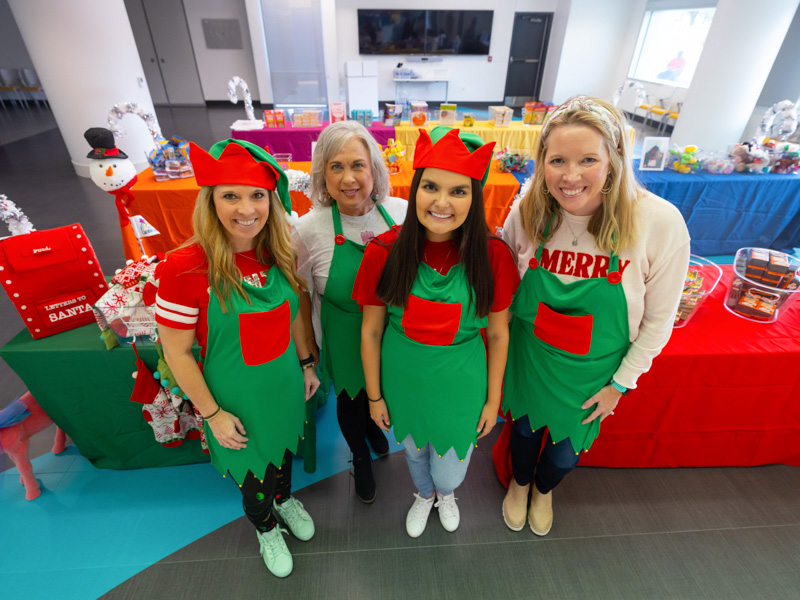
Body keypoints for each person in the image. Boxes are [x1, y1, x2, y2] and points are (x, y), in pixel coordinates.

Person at [500, 96, 690, 536]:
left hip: (593, 376)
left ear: (614, 159)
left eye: (588, 159)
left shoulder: (658, 222)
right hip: (531, 361)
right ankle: (520, 482)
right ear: (541, 162)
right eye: (557, 160)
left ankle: (543, 489)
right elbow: (505, 285)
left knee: (565, 453)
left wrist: (620, 385)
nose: (570, 176)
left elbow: (659, 322)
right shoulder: (528, 207)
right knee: (525, 434)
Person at [156, 139, 320, 578]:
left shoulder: (278, 249)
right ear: (210, 200)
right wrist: (212, 415)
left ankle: (285, 500)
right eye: (231, 195)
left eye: (257, 195)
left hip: (284, 385)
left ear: (271, 199)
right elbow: (175, 351)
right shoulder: (185, 266)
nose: (246, 208)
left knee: (283, 453)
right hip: (234, 399)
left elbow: (295, 312)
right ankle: (265, 525)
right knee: (253, 475)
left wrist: (306, 363)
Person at [354, 127, 519, 537]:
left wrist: (492, 401)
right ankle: (424, 495)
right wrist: (375, 397)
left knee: (451, 465)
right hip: (403, 380)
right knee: (412, 450)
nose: (442, 202)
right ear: (414, 191)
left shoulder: (493, 255)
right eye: (431, 187)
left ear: (474, 197)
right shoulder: (384, 252)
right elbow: (371, 332)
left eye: (458, 191)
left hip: (462, 384)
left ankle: (445, 493)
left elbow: (498, 335)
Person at [292, 121, 407, 503]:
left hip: (394, 330)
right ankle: (360, 454)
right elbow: (300, 293)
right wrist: (308, 355)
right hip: (342, 332)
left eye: (357, 164)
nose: (348, 178)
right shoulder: (309, 229)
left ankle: (375, 430)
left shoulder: (404, 214)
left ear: (374, 167)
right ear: (322, 175)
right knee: (351, 400)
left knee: (385, 391)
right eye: (335, 167)